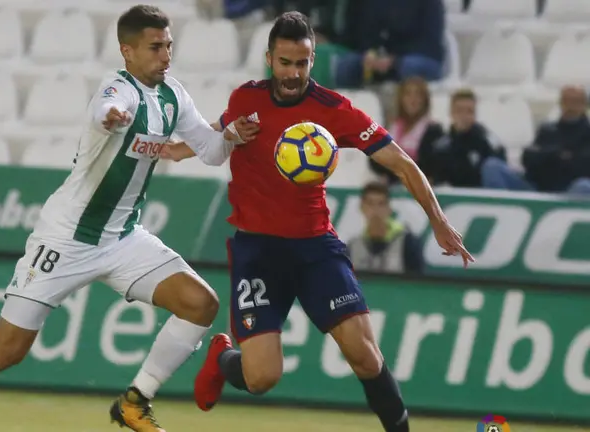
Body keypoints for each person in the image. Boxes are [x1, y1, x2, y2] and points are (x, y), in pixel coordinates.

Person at [0, 5, 258, 432]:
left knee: (200, 304)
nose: (165, 55)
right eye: (155, 47)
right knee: (3, 353)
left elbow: (212, 153)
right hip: (65, 239)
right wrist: (110, 119)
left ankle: (135, 402)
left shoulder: (174, 95)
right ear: (128, 51)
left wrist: (229, 136)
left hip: (122, 239)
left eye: (169, 45)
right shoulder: (115, 90)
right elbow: (103, 113)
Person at [161, 12, 472, 432]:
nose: (293, 73)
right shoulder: (246, 99)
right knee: (262, 377)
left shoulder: (333, 109)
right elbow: (214, 138)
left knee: (365, 355)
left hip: (315, 248)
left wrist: (437, 220)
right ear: (270, 58)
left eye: (302, 63)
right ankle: (222, 358)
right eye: (285, 62)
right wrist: (167, 151)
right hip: (259, 253)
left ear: (313, 60)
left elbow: (401, 162)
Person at [482, 85, 590, 196]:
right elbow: (528, 159)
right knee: (492, 166)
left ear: (585, 105)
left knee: (584, 186)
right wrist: (558, 155)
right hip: (536, 188)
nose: (570, 106)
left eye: (576, 101)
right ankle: (502, 209)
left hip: (570, 193)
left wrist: (549, 157)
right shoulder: (547, 129)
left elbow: (582, 166)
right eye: (566, 101)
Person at [334, 0, 446, 88]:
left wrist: (394, 60)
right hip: (373, 58)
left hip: (414, 57)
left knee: (410, 66)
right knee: (346, 66)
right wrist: (368, 54)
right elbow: (352, 34)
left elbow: (430, 41)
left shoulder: (430, 2)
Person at [425, 89, 506, 187]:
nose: (464, 116)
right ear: (451, 112)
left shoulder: (486, 141)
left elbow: (499, 168)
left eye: (469, 111)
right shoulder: (440, 147)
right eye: (459, 110)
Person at [370, 76, 444, 184]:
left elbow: (429, 164)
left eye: (418, 95)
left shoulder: (433, 130)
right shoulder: (392, 126)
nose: (412, 100)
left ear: (425, 100)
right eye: (408, 94)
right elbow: (375, 157)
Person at [347, 182, 425, 274]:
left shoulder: (407, 242)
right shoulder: (353, 246)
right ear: (362, 207)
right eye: (370, 203)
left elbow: (418, 283)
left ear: (389, 209)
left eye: (381, 204)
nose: (375, 209)